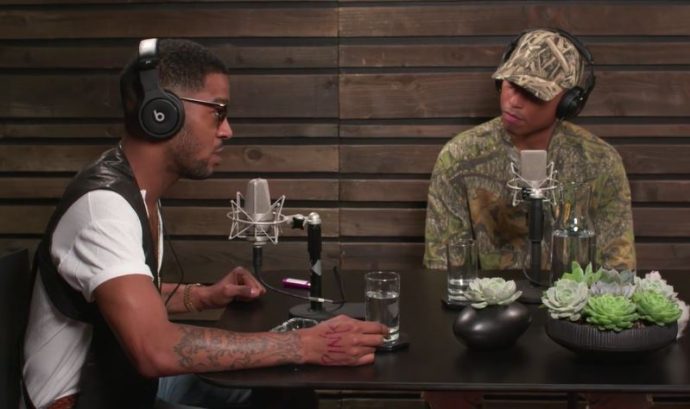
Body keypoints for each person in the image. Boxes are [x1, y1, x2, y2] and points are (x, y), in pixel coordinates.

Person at [22, 38, 388, 409]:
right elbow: (155, 349)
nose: (227, 130)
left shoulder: (135, 192)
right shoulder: (103, 209)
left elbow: (124, 293)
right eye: (217, 112)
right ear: (162, 112)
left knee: (287, 393)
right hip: (82, 401)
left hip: (123, 386)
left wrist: (204, 296)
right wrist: (305, 344)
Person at [423, 29, 648, 409]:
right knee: (444, 391)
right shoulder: (460, 157)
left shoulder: (600, 162)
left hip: (578, 324)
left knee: (628, 394)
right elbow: (441, 269)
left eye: (534, 94)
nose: (514, 101)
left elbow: (619, 270)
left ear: (569, 102)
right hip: (487, 322)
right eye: (511, 85)